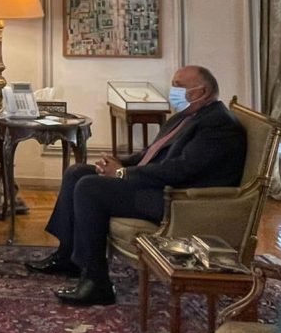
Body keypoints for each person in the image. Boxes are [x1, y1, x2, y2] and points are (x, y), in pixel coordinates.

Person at [25, 65, 247, 306]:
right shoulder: (186, 116)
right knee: (76, 173)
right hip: (156, 185)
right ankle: (67, 257)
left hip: (176, 200)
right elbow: (151, 153)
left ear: (201, 91)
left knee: (90, 188)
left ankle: (96, 282)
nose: (173, 91)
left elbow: (180, 171)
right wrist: (121, 163)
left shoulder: (218, 124)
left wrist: (122, 173)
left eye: (179, 86)